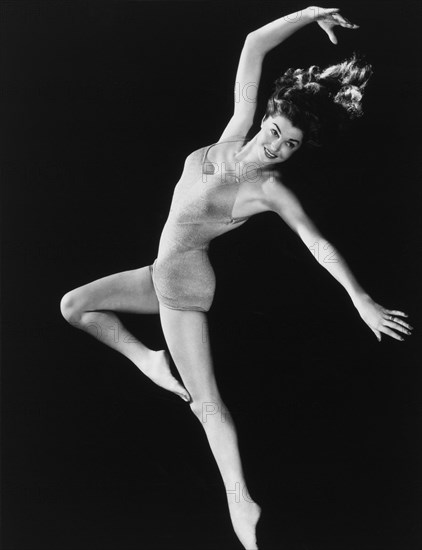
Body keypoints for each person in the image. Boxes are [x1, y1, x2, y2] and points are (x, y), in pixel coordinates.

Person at [59, 6, 413, 549]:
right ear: (266, 117)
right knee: (75, 306)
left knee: (207, 405)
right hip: (157, 273)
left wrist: (361, 299)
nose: (274, 146)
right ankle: (149, 359)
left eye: (289, 145)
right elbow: (253, 45)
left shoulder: (267, 191)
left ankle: (241, 503)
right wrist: (312, 11)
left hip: (184, 286)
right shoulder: (233, 132)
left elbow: (318, 244)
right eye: (275, 132)